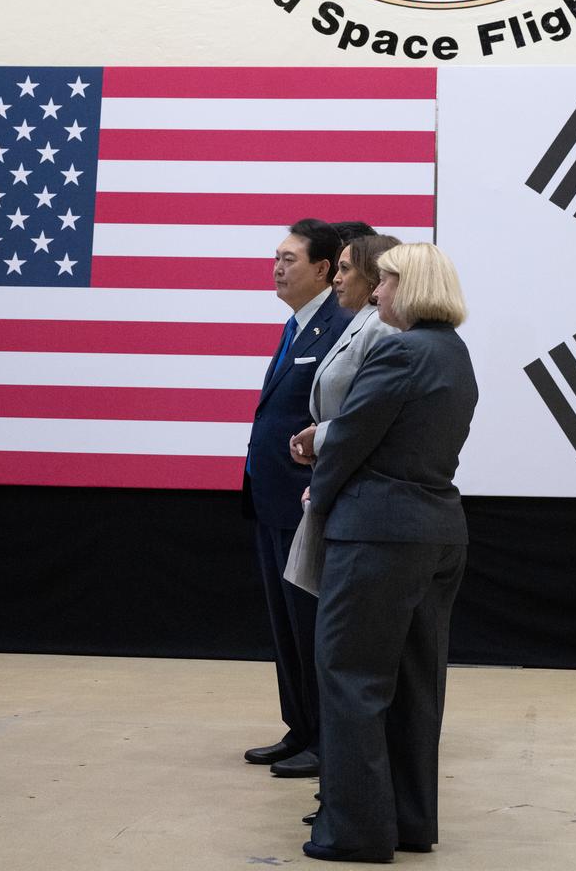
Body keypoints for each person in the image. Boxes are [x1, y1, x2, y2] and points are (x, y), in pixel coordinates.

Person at [295, 244, 479, 863]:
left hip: (377, 535)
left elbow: (348, 437)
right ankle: (407, 821)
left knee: (350, 678)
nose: (375, 294)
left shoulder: (397, 350)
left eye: (387, 283)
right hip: (438, 532)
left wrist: (316, 496)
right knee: (414, 686)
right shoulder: (455, 354)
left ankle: (354, 831)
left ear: (412, 285)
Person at [242, 218, 352, 780]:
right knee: (284, 625)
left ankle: (324, 738)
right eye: (275, 257)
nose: (278, 267)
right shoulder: (295, 327)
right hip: (270, 501)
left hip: (305, 501)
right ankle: (299, 727)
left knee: (311, 626)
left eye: (289, 258)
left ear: (323, 269)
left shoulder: (340, 327)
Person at [284, 234, 401, 598]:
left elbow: (372, 415)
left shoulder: (380, 327)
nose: (335, 277)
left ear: (372, 276)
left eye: (345, 269)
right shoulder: (358, 321)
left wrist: (321, 437)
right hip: (337, 483)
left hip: (358, 493)